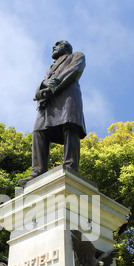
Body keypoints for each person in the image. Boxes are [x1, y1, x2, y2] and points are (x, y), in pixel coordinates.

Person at [18, 40, 86, 187]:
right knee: (38, 131)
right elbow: (42, 84)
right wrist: (42, 89)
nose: (54, 47)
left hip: (67, 96)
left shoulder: (76, 56)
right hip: (48, 103)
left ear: (66, 47)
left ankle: (70, 166)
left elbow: (73, 71)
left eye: (58, 44)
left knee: (69, 126)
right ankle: (38, 170)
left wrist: (53, 85)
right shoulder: (50, 68)